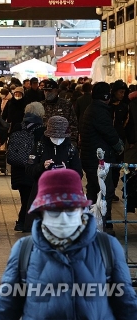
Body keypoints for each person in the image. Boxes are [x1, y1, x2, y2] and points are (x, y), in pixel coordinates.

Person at [0, 169, 137, 320]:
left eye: (70, 209)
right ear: (42, 212)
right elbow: (5, 309)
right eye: (54, 210)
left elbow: (127, 306)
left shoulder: (107, 247)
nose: (63, 218)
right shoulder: (24, 250)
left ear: (82, 210)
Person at [24, 116, 82, 232]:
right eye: (54, 137)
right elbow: (29, 170)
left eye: (60, 137)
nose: (57, 140)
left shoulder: (70, 149)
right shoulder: (40, 147)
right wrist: (42, 166)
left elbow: (79, 174)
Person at [79, 82, 123, 235]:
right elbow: (109, 133)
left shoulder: (93, 108)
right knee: (105, 191)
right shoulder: (99, 111)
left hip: (90, 157)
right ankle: (102, 223)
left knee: (94, 188)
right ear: (106, 96)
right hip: (98, 159)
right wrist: (119, 145)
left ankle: (92, 222)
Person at [9, 102, 46, 232]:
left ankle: (24, 222)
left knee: (24, 196)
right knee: (29, 198)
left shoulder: (18, 126)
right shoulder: (41, 129)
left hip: (17, 167)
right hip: (31, 168)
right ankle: (23, 222)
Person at [40, 79, 79, 144]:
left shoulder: (66, 105)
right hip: (45, 142)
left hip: (62, 141)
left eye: (50, 90)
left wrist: (72, 141)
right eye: (45, 90)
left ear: (56, 91)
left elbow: (73, 124)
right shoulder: (40, 106)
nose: (47, 93)